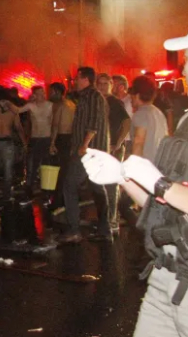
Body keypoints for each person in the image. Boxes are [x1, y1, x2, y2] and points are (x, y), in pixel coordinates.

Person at [81, 150, 188, 337]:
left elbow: (166, 189)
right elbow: (161, 209)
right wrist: (122, 177)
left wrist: (161, 184)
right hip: (165, 276)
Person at [57, 67, 111, 244]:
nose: (74, 81)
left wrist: (84, 145)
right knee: (97, 188)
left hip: (89, 152)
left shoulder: (93, 96)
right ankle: (105, 229)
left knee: (69, 185)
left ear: (85, 79)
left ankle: (74, 230)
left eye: (77, 78)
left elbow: (94, 124)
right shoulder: (86, 97)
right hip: (90, 151)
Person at [97, 73, 131, 234]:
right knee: (103, 185)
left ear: (111, 85)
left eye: (106, 83)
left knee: (110, 185)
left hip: (112, 149)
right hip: (102, 149)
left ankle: (112, 220)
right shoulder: (99, 102)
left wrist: (117, 143)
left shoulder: (114, 102)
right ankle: (108, 219)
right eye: (100, 83)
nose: (102, 86)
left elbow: (127, 122)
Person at [4, 85, 53, 196]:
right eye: (39, 93)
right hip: (35, 139)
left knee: (46, 164)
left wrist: (53, 140)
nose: (42, 95)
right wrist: (8, 103)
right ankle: (29, 188)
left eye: (43, 93)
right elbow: (18, 110)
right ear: (34, 95)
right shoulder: (31, 105)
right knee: (32, 165)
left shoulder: (50, 105)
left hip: (47, 138)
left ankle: (47, 190)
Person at [48, 82, 76, 208]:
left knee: (60, 171)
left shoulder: (60, 106)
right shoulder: (72, 104)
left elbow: (55, 125)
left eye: (51, 92)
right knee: (66, 170)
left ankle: (58, 200)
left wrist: (52, 143)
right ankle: (65, 198)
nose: (49, 94)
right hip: (70, 138)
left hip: (62, 138)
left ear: (57, 92)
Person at [130, 76, 168, 161]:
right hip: (159, 162)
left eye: (131, 93)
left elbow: (138, 142)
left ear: (137, 95)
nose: (130, 97)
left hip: (146, 164)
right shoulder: (158, 112)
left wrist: (134, 165)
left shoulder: (141, 114)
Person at [112, 75, 134, 155]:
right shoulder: (114, 101)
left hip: (128, 139)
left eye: (113, 84)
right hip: (117, 139)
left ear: (121, 87)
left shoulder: (130, 101)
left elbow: (128, 120)